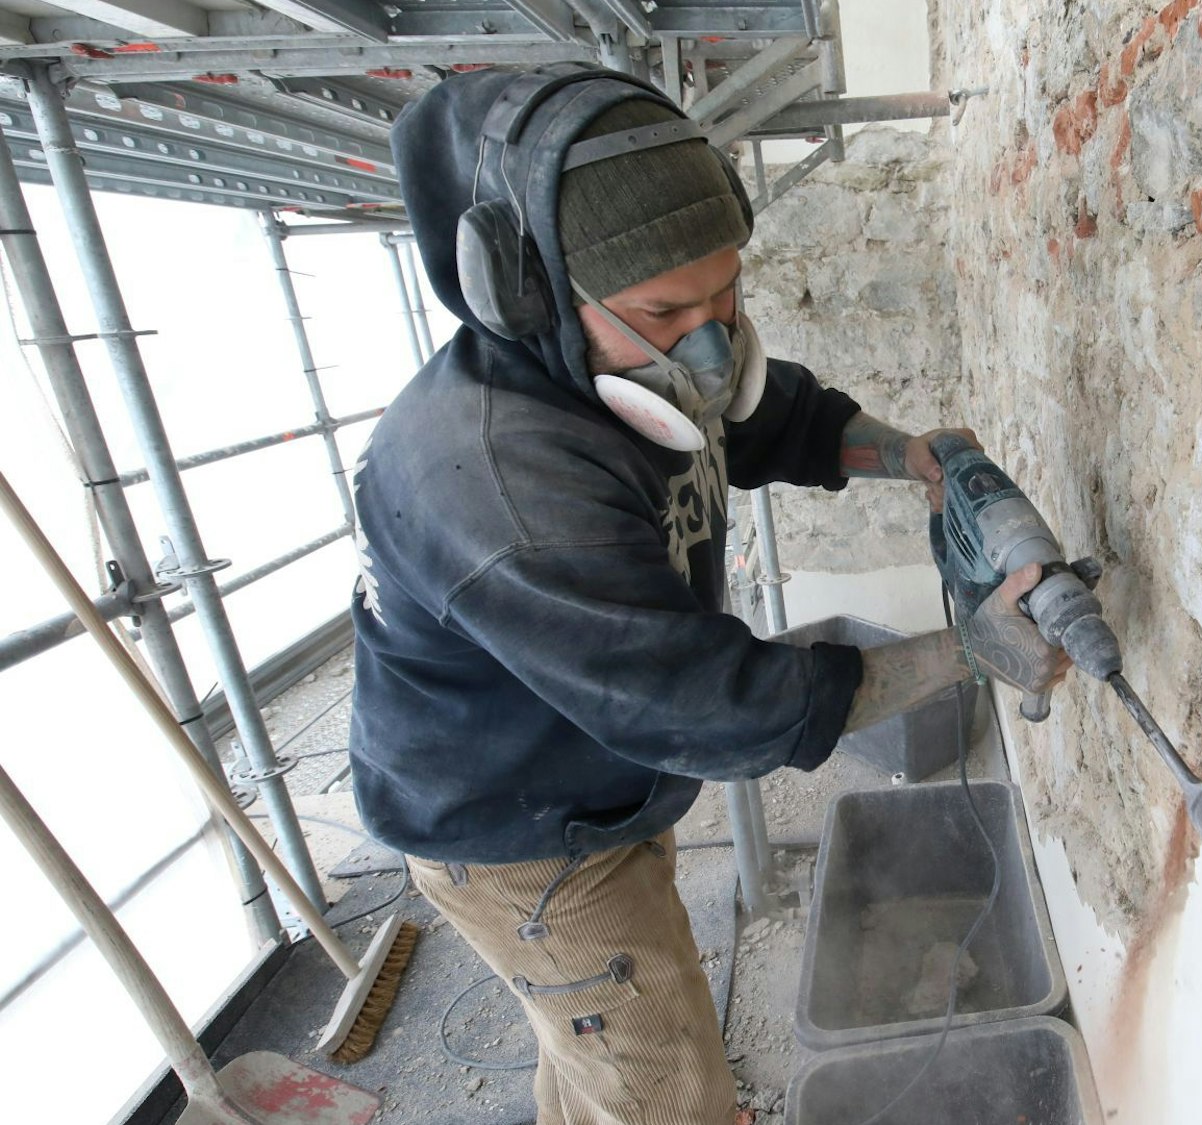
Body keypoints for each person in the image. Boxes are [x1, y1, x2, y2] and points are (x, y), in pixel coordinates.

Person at [345, 65, 1067, 1125]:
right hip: (514, 828)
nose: (711, 336)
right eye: (666, 309)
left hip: (589, 775)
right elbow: (707, 706)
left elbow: (768, 418)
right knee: (663, 1086)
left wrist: (902, 453)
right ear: (526, 291)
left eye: (725, 290)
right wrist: (965, 651)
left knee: (594, 1059)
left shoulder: (630, 365)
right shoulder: (499, 481)